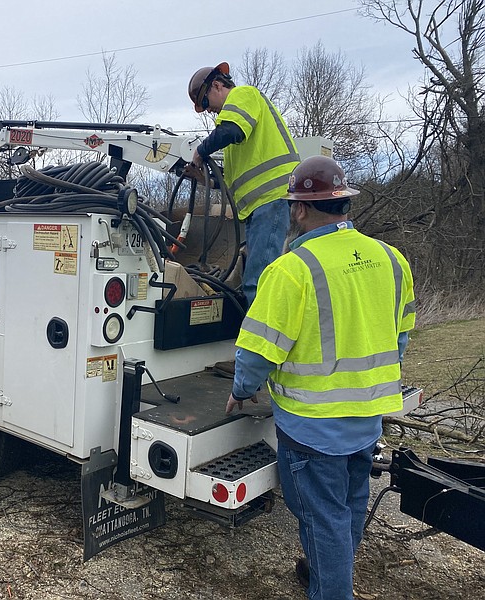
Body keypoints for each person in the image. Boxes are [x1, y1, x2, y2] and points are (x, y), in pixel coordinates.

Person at [225, 155, 416, 600]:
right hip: (367, 418)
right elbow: (400, 337)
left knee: (321, 515)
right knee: (348, 507)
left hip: (313, 428)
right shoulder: (391, 259)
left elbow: (256, 352)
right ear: (344, 203)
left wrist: (241, 392)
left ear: (298, 208)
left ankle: (332, 590)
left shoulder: (290, 270)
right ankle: (327, 576)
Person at [187, 62, 300, 377]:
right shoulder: (239, 122)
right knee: (255, 280)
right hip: (260, 209)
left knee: (258, 283)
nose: (211, 113)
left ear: (217, 86)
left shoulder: (244, 97)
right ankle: (260, 355)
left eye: (207, 104)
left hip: (271, 202)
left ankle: (254, 362)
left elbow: (230, 132)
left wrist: (200, 151)